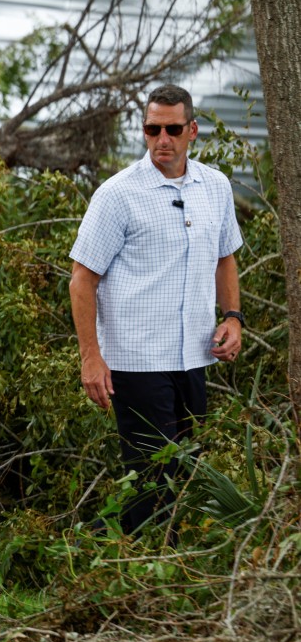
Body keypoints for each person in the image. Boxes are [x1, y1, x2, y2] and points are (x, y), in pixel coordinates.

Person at [69, 84, 244, 536]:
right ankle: (144, 576)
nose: (161, 139)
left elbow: (226, 257)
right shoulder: (118, 194)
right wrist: (91, 356)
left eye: (171, 129)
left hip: (194, 358)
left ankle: (131, 561)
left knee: (185, 473)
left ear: (192, 131)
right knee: (152, 476)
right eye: (152, 129)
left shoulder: (216, 187)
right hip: (137, 361)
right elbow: (81, 279)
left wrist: (232, 317)